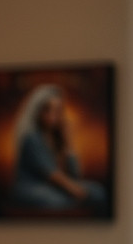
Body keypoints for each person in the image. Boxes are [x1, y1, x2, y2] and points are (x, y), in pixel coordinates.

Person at [9, 83, 106, 211]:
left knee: (97, 191)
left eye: (57, 110)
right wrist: (75, 189)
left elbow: (74, 175)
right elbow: (52, 174)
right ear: (37, 111)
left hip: (54, 187)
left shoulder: (56, 137)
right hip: (32, 188)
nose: (53, 115)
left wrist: (68, 144)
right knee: (62, 201)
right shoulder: (32, 138)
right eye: (48, 109)